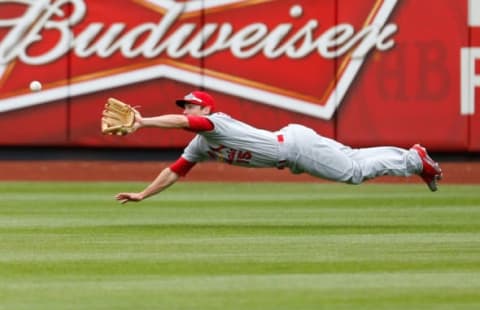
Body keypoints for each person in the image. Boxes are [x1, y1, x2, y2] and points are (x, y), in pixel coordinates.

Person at [115, 91, 443, 204]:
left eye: (191, 105)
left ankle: (414, 161)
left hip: (295, 148)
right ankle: (412, 157)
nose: (187, 110)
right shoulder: (202, 145)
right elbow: (175, 172)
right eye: (184, 105)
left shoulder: (216, 123)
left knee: (354, 173)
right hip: (294, 143)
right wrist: (143, 194)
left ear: (205, 110)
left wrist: (143, 122)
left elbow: (185, 123)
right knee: (355, 159)